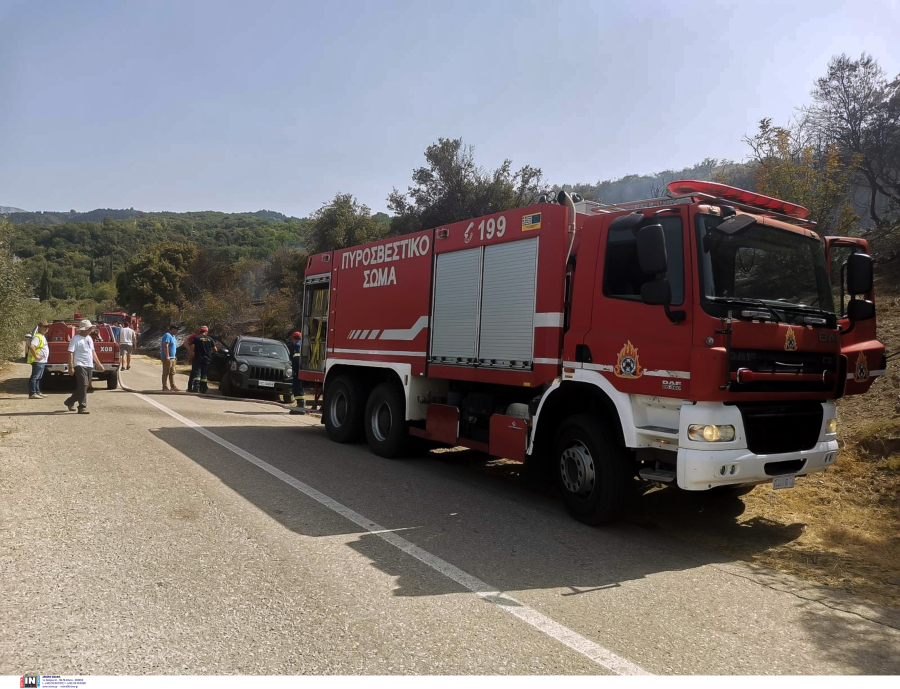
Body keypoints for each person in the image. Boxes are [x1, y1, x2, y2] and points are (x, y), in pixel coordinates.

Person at [64, 320, 105, 414]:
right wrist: (71, 367)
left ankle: (69, 401)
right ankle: (82, 406)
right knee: (83, 384)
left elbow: (93, 352)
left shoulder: (89, 338)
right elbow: (70, 352)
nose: (91, 330)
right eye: (89, 328)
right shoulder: (75, 339)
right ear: (84, 329)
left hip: (89, 365)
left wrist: (99, 364)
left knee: (85, 386)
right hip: (79, 364)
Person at [188, 326, 217, 393]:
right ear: (206, 332)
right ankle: (203, 388)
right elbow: (215, 349)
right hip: (207, 359)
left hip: (197, 358)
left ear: (200, 331)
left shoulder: (196, 338)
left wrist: (190, 356)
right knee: (204, 374)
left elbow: (192, 348)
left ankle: (196, 388)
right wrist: (213, 353)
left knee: (197, 374)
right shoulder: (210, 339)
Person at [27, 321, 50, 399]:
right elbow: (31, 346)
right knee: (35, 377)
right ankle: (32, 393)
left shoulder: (42, 336)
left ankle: (37, 392)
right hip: (38, 361)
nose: (46, 328)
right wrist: (36, 356)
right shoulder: (37, 337)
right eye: (45, 327)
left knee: (38, 377)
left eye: (47, 327)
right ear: (39, 327)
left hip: (42, 361)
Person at [289, 330, 307, 415]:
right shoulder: (303, 345)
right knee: (300, 387)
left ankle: (300, 407)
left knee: (297, 387)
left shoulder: (296, 346)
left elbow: (296, 359)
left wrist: (295, 370)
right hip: (303, 369)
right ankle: (300, 405)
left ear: (293, 338)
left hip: (298, 370)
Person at [161, 324, 180, 391]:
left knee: (172, 372)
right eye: (176, 330)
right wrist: (167, 356)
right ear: (172, 329)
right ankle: (165, 386)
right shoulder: (167, 335)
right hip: (167, 357)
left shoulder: (173, 336)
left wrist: (174, 356)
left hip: (173, 357)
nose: (177, 331)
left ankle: (173, 386)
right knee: (166, 372)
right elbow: (166, 345)